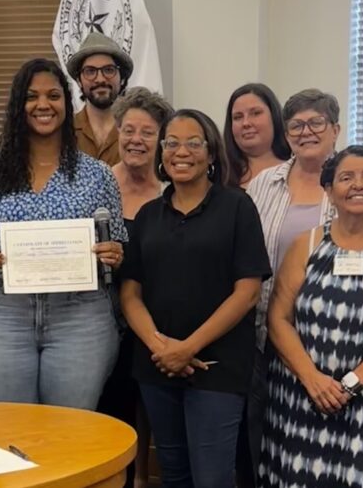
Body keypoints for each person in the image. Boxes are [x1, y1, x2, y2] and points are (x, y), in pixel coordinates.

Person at [244, 88, 363, 485]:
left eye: (317, 123)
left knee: (353, 464)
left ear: (335, 128)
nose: (306, 132)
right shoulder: (263, 184)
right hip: (277, 340)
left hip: (360, 350)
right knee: (285, 453)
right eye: (296, 124)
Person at [0, 58, 127, 410]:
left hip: (79, 317)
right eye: (31, 97)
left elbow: (118, 246)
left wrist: (114, 253)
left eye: (53, 95)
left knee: (71, 433)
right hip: (3, 315)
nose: (43, 105)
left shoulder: (98, 175)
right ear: (19, 105)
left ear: (67, 103)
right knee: (6, 433)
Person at [259, 145, 363, 487]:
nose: (359, 185)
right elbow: (278, 320)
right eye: (346, 177)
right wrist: (313, 380)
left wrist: (349, 385)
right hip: (301, 400)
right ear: (329, 191)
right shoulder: (305, 245)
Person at [121, 108, 271, 488]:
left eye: (193, 143)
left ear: (211, 153)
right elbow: (130, 292)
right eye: (171, 143)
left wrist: (187, 348)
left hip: (217, 367)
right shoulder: (148, 215)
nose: (180, 152)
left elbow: (248, 291)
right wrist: (161, 347)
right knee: (173, 474)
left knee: (212, 478)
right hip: (156, 366)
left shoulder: (238, 207)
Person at [96, 86, 174, 488]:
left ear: (162, 138)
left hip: (154, 315)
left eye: (147, 132)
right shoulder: (98, 182)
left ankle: (144, 477)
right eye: (128, 130)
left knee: (150, 404)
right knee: (113, 403)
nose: (136, 140)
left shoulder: (170, 191)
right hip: (102, 315)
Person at [66, 31, 134, 166]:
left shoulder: (136, 132)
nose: (100, 79)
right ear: (79, 81)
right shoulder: (64, 131)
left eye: (109, 70)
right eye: (90, 71)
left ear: (122, 78)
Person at [224, 83, 291, 187]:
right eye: (238, 117)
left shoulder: (296, 169)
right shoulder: (220, 174)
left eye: (255, 113)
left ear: (274, 117)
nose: (245, 123)